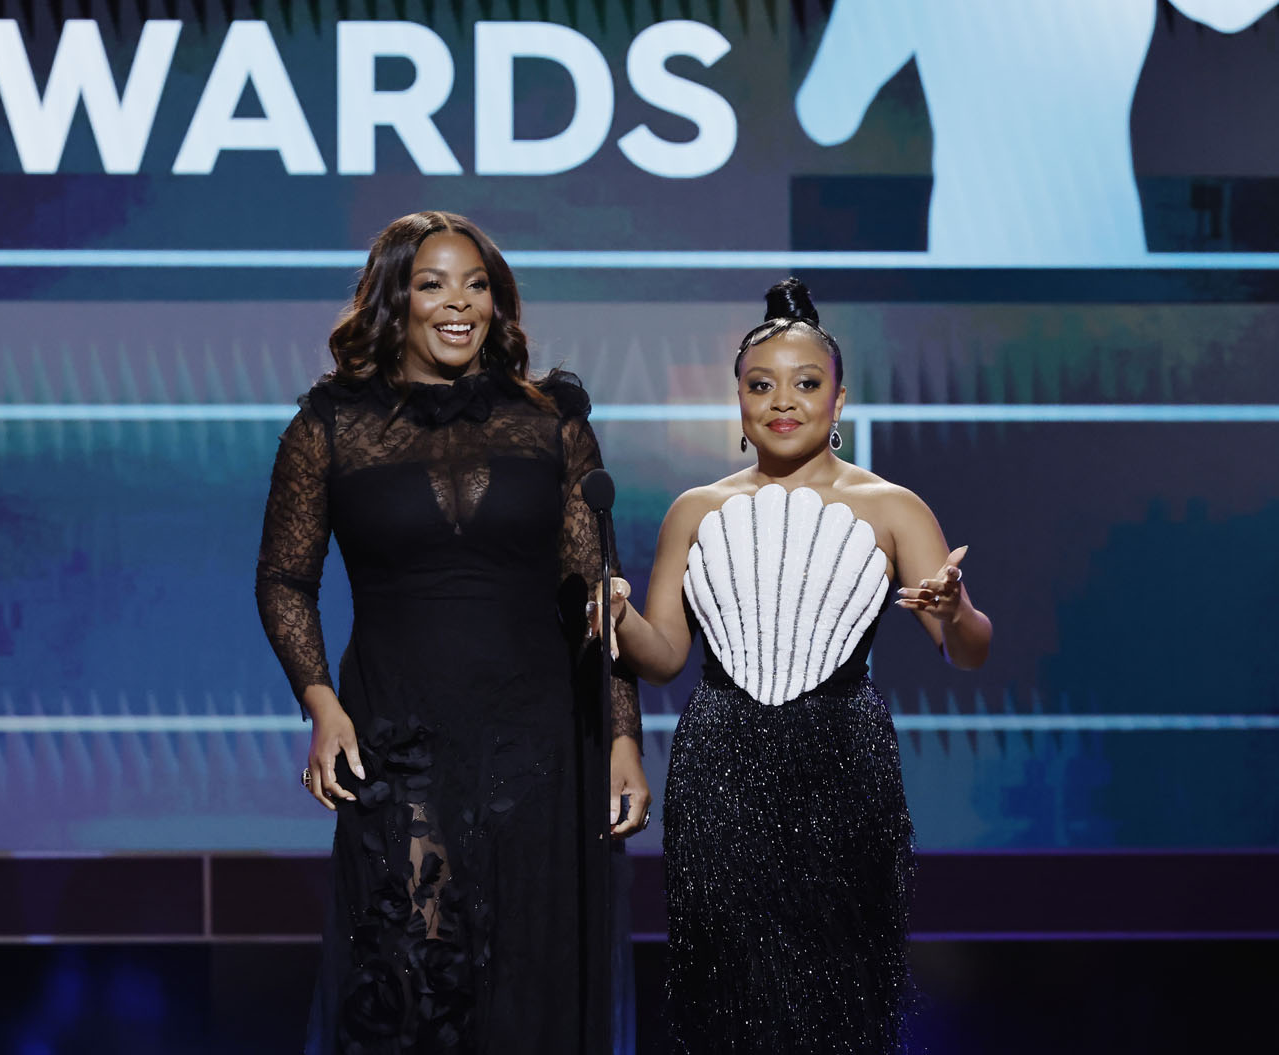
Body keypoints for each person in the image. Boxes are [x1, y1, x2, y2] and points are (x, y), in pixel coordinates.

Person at [255, 211, 650, 1055]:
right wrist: (322, 705)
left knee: (530, 981)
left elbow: (597, 600)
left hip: (540, 741)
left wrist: (622, 737)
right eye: (432, 284)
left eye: (476, 284)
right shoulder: (330, 425)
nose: (458, 303)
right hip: (400, 737)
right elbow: (285, 580)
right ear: (394, 299)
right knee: (412, 982)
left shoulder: (552, 420)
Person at [599, 278, 991, 1053]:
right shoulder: (694, 510)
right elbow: (666, 657)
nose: (784, 401)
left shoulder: (893, 506)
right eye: (761, 385)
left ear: (839, 400)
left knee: (839, 989)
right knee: (729, 991)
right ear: (739, 402)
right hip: (719, 768)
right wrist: (618, 618)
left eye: (807, 384)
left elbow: (969, 649)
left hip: (843, 763)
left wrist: (951, 610)